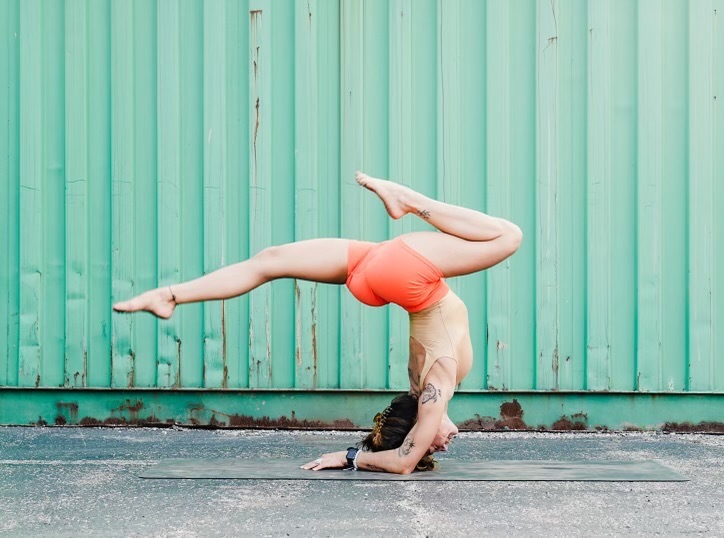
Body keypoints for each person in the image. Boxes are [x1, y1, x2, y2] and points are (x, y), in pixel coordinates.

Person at [114, 172, 522, 474]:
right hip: (384, 275)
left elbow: (403, 461)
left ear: (418, 424)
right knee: (270, 262)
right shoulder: (424, 385)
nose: (443, 445)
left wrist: (350, 457)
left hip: (406, 273)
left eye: (431, 446)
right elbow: (406, 445)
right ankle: (169, 296)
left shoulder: (435, 390)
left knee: (509, 236)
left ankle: (409, 200)